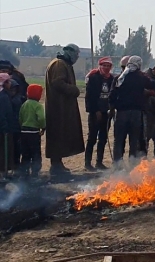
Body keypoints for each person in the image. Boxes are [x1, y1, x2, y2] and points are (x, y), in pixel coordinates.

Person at [109, 56, 155, 168]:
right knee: (134, 140)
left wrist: (114, 107)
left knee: (119, 139)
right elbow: (154, 85)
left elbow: (112, 96)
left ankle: (117, 165)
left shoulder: (119, 78)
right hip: (136, 114)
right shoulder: (141, 77)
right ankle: (133, 166)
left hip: (121, 113)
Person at [45, 44, 85, 175]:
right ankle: (55, 165)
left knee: (61, 136)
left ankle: (58, 163)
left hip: (62, 108)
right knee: (57, 135)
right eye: (76, 54)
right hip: (57, 109)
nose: (77, 57)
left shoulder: (64, 64)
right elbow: (57, 82)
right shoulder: (59, 64)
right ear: (69, 52)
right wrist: (74, 90)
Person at [84, 57, 115, 171]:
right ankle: (87, 163)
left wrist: (111, 108)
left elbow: (113, 96)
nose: (106, 68)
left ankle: (99, 162)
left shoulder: (112, 79)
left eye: (108, 66)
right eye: (104, 65)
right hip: (95, 113)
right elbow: (89, 97)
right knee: (92, 138)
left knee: (103, 138)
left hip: (106, 112)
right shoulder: (93, 78)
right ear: (100, 65)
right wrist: (95, 110)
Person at [19, 84, 46, 177]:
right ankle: (35, 173)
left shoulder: (24, 104)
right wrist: (43, 127)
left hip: (23, 132)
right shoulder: (38, 106)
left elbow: (20, 117)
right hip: (34, 132)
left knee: (25, 153)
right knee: (35, 154)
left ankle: (24, 172)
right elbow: (42, 118)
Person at [5, 79, 25, 169]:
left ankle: (15, 165)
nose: (13, 92)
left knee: (16, 148)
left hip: (16, 127)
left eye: (14, 90)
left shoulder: (17, 99)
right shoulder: (8, 99)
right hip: (12, 127)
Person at [0, 73, 16, 176]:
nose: (10, 83)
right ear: (5, 83)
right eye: (8, 81)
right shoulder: (3, 96)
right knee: (3, 152)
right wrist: (5, 127)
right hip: (3, 129)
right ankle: (2, 173)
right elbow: (2, 114)